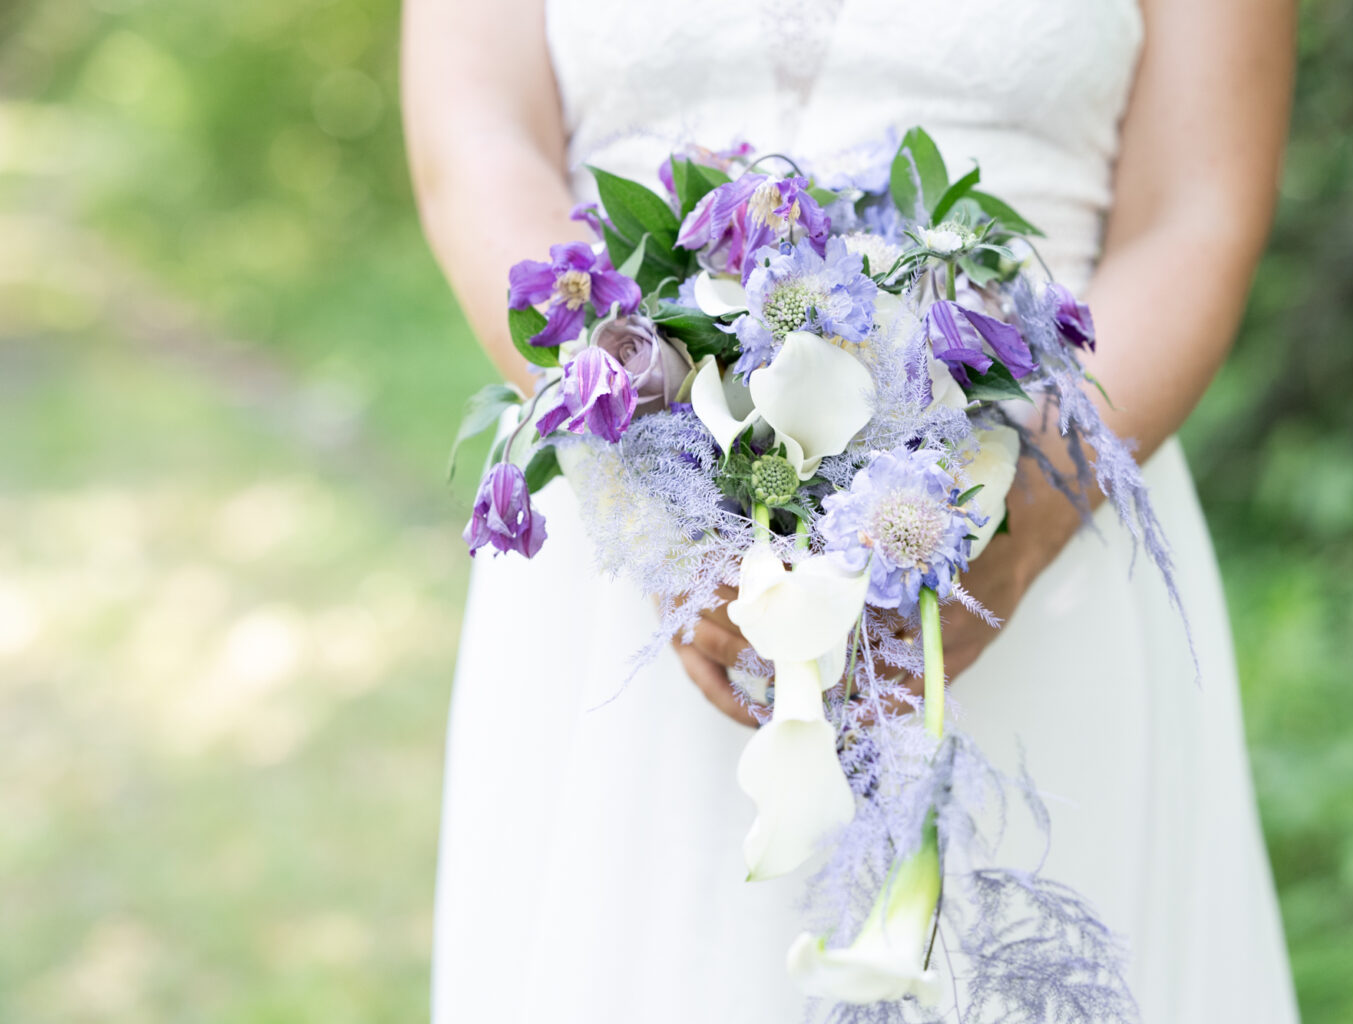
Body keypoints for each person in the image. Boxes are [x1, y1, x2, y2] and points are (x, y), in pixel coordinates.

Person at [403, 0, 1300, 1020]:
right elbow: (475, 141)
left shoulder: (1028, 532)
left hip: (1036, 553)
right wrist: (656, 491)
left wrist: (1022, 520)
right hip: (632, 572)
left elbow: (1196, 212)